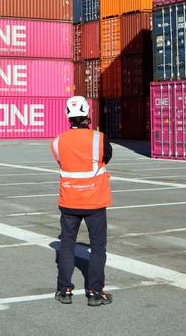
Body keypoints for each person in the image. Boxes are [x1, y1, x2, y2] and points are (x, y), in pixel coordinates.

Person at [51, 96, 113, 307]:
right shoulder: (99, 138)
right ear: (88, 114)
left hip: (69, 201)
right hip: (95, 201)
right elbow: (107, 157)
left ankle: (64, 290)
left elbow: (62, 161)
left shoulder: (58, 141)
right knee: (97, 248)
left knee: (66, 247)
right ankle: (95, 292)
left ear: (68, 115)